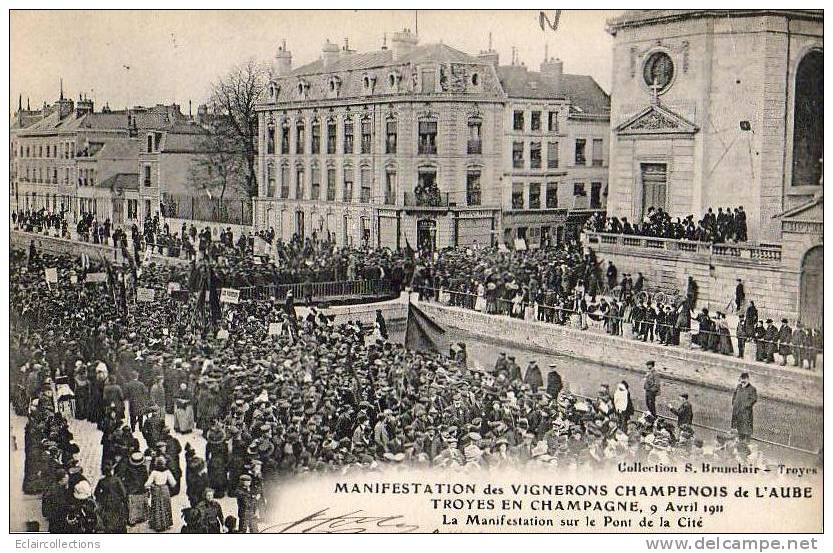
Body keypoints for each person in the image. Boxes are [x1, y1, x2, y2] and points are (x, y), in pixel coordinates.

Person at [93, 461, 129, 533]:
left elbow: (96, 492)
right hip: (117, 501)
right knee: (118, 517)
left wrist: (101, 498)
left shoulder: (101, 481)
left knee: (108, 518)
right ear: (111, 471)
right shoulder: (117, 479)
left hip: (105, 501)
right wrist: (124, 500)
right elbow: (123, 492)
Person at [145, 455, 176, 532]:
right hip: (165, 489)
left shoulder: (154, 472)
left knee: (157, 506)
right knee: (165, 506)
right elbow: (173, 483)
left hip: (156, 490)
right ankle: (167, 523)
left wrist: (152, 485)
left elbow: (147, 484)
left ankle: (157, 525)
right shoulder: (167, 471)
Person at [731, 373, 757, 442]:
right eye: (741, 381)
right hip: (737, 411)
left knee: (745, 430)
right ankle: (739, 441)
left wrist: (745, 406)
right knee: (737, 429)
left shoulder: (752, 389)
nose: (743, 383)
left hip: (746, 414)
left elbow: (753, 399)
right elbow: (734, 395)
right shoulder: (738, 387)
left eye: (744, 382)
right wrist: (734, 403)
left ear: (748, 380)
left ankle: (746, 442)